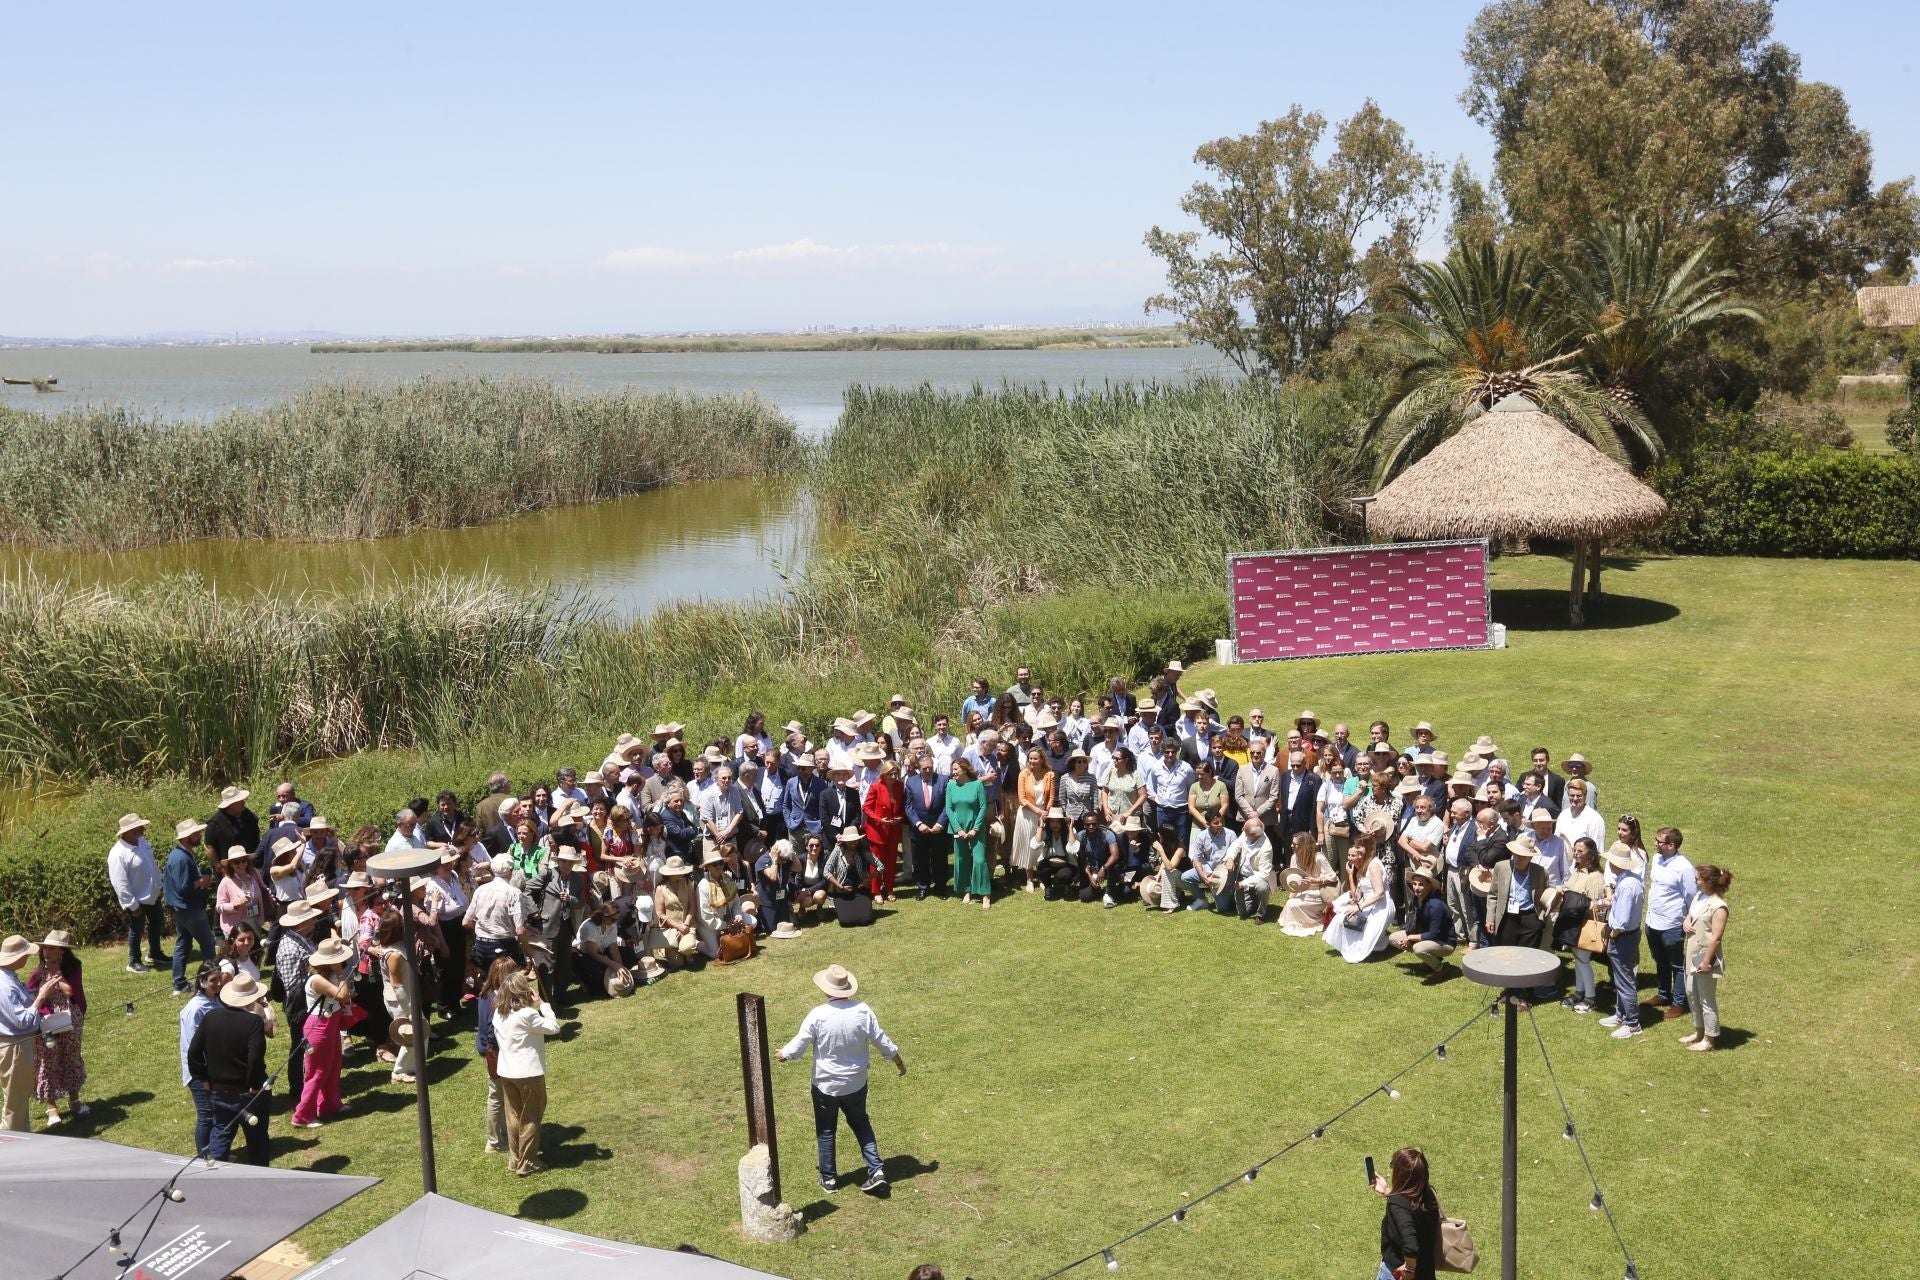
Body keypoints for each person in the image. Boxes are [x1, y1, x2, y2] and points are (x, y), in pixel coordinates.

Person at [777, 964, 905, 1194]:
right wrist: (898, 1061)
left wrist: (785, 1054)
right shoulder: (863, 1011)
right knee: (861, 1122)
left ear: (826, 989)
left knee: (826, 1130)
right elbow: (881, 1040)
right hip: (856, 1082)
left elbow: (801, 1041)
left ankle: (829, 1179)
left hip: (826, 1085)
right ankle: (876, 1170)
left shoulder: (818, 1014)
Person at [187, 970, 271, 1164]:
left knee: (220, 1138)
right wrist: (255, 1085)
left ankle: (212, 1179)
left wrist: (204, 1079)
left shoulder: (211, 1017)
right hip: (248, 1093)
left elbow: (193, 1053)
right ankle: (262, 1182)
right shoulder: (253, 1022)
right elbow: (255, 1058)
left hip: (219, 1091)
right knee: (257, 1141)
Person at [492, 968, 561, 1176]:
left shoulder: (498, 1013)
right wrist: (543, 1004)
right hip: (528, 1073)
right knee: (531, 1116)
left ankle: (515, 1160)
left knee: (513, 1115)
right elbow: (554, 1027)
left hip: (506, 1072)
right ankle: (528, 1162)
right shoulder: (527, 1015)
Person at [291, 936, 357, 1128]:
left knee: (334, 1066)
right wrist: (342, 974)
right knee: (317, 1072)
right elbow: (343, 996)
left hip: (331, 1022)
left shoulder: (328, 976)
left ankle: (330, 1104)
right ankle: (302, 1116)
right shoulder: (317, 979)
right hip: (318, 1027)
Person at [25, 930, 88, 1126]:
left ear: (62, 951)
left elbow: (71, 991)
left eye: (51, 948)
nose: (47, 952)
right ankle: (51, 1107)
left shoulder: (73, 967)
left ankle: (75, 1100)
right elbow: (30, 994)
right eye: (45, 948)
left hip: (70, 1018)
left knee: (71, 1056)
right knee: (47, 1061)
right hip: (46, 1021)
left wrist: (57, 976)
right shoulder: (37, 972)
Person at [1644, 826, 1697, 1020]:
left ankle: (1678, 1003)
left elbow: (1692, 895)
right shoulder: (1658, 859)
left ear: (1671, 845)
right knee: (1660, 960)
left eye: (1659, 841)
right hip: (1652, 921)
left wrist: (1689, 917)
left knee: (1677, 965)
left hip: (1672, 925)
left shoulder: (1684, 868)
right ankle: (1663, 995)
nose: (1655, 843)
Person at [1324, 820, 1394, 962]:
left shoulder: (1374, 865)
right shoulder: (1363, 865)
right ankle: (1380, 939)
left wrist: (1359, 907)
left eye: (1360, 847)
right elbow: (1358, 895)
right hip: (1367, 904)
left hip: (1381, 907)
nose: (1356, 849)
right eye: (1356, 846)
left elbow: (1379, 893)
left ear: (1368, 848)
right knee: (1341, 916)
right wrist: (1350, 875)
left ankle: (1383, 940)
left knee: (1361, 947)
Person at [109, 814, 170, 974]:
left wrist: (160, 885)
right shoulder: (118, 853)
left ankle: (155, 953)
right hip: (136, 899)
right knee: (136, 930)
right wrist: (132, 905)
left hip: (152, 894)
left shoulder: (142, 842)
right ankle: (134, 961)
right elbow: (119, 883)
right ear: (127, 831)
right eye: (138, 827)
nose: (142, 829)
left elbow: (151, 866)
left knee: (156, 923)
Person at [164, 820, 220, 996]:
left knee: (183, 944)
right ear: (188, 837)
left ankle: (178, 983)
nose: (199, 836)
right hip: (189, 909)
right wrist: (202, 881)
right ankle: (210, 981)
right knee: (208, 944)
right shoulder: (181, 858)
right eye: (196, 834)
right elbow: (183, 887)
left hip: (182, 908)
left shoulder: (181, 854)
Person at [1681, 864, 1732, 1051]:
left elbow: (1716, 937)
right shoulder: (1699, 896)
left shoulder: (1719, 907)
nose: (1695, 881)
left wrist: (1705, 961)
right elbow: (1691, 915)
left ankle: (1709, 1040)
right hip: (1692, 954)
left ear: (1709, 882)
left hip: (1705, 958)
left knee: (1706, 999)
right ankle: (1699, 1031)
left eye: (1698, 879)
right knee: (1691, 993)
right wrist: (1686, 921)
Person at [1598, 843, 1646, 1040]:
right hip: (1628, 935)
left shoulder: (1626, 886)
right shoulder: (1632, 880)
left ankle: (1633, 1024)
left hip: (1622, 937)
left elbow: (1622, 920)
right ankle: (1621, 1015)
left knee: (1625, 982)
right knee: (1621, 980)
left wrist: (1613, 935)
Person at [1373, 1146, 1442, 1280]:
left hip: (1397, 1274)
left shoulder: (1397, 1204)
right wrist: (1388, 1191)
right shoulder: (1429, 1194)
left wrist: (1409, 1271)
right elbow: (1411, 1206)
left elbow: (1411, 1245)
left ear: (1400, 1174)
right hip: (1426, 1272)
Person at [1555, 838, 1608, 1013]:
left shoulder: (1595, 877)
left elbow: (1594, 905)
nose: (1576, 854)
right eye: (1575, 851)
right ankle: (1579, 993)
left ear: (1591, 855)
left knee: (1583, 961)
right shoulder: (1577, 871)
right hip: (1572, 924)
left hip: (1585, 925)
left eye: (1580, 851)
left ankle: (1590, 998)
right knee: (1578, 961)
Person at [474, 956, 517, 1153]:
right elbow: (492, 1033)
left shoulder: (486, 993)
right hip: (496, 1053)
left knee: (497, 1095)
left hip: (489, 1050)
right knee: (497, 1096)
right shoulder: (497, 1000)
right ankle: (494, 1141)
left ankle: (500, 1135)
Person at [180, 962, 224, 1155]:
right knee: (206, 1115)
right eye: (213, 980)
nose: (218, 983)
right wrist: (204, 1078)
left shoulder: (216, 1000)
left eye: (219, 978)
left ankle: (214, 1153)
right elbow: (193, 1049)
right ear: (202, 981)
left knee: (216, 1113)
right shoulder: (195, 1009)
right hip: (199, 1073)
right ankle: (203, 1157)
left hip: (215, 1068)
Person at [0, 935, 43, 1131]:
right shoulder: (6, 985)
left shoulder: (8, 977)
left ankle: (24, 1137)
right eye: (26, 954)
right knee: (15, 1100)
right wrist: (41, 998)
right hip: (15, 1045)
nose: (28, 958)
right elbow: (22, 1020)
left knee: (18, 1094)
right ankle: (12, 1145)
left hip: (15, 1044)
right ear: (17, 957)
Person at [1389, 865, 1457, 982]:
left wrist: (1410, 938)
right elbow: (1412, 926)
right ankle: (1429, 962)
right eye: (1414, 884)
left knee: (1418, 948)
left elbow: (1434, 934)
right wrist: (1406, 940)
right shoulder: (1416, 900)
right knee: (1393, 938)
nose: (1416, 888)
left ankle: (1440, 970)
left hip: (1445, 942)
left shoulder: (1436, 905)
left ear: (1430, 885)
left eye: (1421, 884)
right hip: (1428, 936)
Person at [945, 759, 993, 909]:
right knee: (961, 860)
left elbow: (983, 807)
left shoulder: (977, 784)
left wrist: (975, 828)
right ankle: (966, 891)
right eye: (953, 769)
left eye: (956, 769)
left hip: (976, 828)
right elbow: (948, 809)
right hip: (958, 829)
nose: (953, 772)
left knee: (979, 860)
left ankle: (985, 894)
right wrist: (958, 829)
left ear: (965, 769)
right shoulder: (951, 785)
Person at [1277, 832, 1338, 936]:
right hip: (1302, 892)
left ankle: (1314, 920)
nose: (1291, 846)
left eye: (1295, 844)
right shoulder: (1294, 858)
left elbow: (1333, 877)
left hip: (1318, 893)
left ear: (1304, 846)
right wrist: (1290, 897)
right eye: (1292, 843)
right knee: (1290, 903)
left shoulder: (1318, 858)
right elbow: (1294, 882)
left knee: (1293, 905)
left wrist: (1315, 880)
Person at [864, 759, 906, 901]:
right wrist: (879, 820)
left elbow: (902, 807)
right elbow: (866, 808)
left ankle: (889, 889)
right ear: (883, 774)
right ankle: (875, 891)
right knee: (877, 861)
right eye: (890, 774)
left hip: (893, 830)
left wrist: (900, 818)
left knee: (891, 861)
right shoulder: (875, 787)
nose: (893, 777)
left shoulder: (900, 786)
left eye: (895, 774)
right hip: (877, 831)